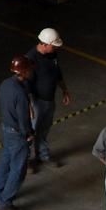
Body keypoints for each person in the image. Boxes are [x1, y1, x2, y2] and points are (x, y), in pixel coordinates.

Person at [0, 55, 35, 210]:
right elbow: (24, 119)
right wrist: (28, 134)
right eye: (29, 69)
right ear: (23, 72)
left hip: (6, 128)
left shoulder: (5, 84)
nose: (31, 71)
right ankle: (5, 202)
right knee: (18, 169)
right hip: (18, 134)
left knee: (6, 160)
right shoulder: (21, 93)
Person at [25, 28, 72, 171]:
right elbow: (25, 84)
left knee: (44, 130)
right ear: (45, 44)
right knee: (31, 133)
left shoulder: (52, 54)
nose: (56, 48)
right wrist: (29, 106)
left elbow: (58, 73)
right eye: (54, 45)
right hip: (36, 101)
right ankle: (25, 160)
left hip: (49, 100)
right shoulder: (30, 59)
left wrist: (64, 90)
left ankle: (43, 156)